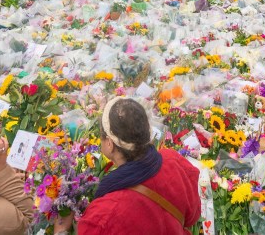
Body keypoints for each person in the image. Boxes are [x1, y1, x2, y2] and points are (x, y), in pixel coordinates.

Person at [55, 97, 201, 235]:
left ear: (110, 144)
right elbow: (192, 216)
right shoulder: (173, 161)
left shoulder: (104, 216)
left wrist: (60, 231)